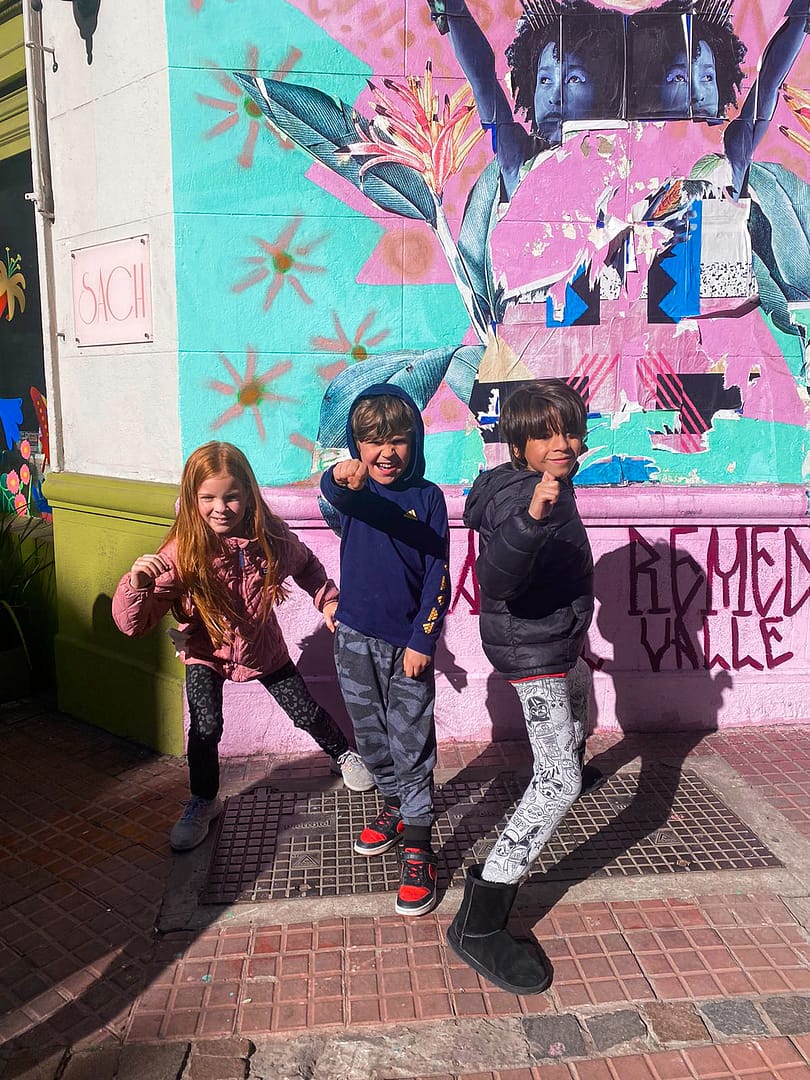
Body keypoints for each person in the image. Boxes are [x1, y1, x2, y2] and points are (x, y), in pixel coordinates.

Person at [112, 441, 373, 852]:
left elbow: (306, 565)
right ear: (191, 498)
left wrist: (328, 599)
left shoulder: (268, 538)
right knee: (205, 726)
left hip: (261, 646)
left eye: (232, 496)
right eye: (208, 498)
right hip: (205, 649)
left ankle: (343, 754)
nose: (221, 507)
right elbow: (133, 626)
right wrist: (137, 586)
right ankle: (203, 801)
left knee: (303, 709)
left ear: (248, 494)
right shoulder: (181, 552)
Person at [447, 379, 593, 994]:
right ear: (518, 441)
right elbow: (500, 574)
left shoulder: (548, 484)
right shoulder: (525, 497)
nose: (563, 442)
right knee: (559, 779)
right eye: (546, 432)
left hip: (555, 641)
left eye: (570, 428)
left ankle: (567, 760)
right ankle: (482, 919)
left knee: (571, 741)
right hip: (535, 653)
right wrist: (536, 516)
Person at [320, 385, 450, 916]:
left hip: (407, 649)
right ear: (357, 446)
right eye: (373, 442)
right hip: (352, 638)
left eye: (398, 441)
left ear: (414, 443)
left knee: (411, 741)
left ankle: (419, 847)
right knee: (371, 739)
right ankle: (394, 804)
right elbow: (332, 493)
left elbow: (440, 574)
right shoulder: (357, 497)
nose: (386, 453)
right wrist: (336, 475)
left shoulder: (429, 498)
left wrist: (424, 638)